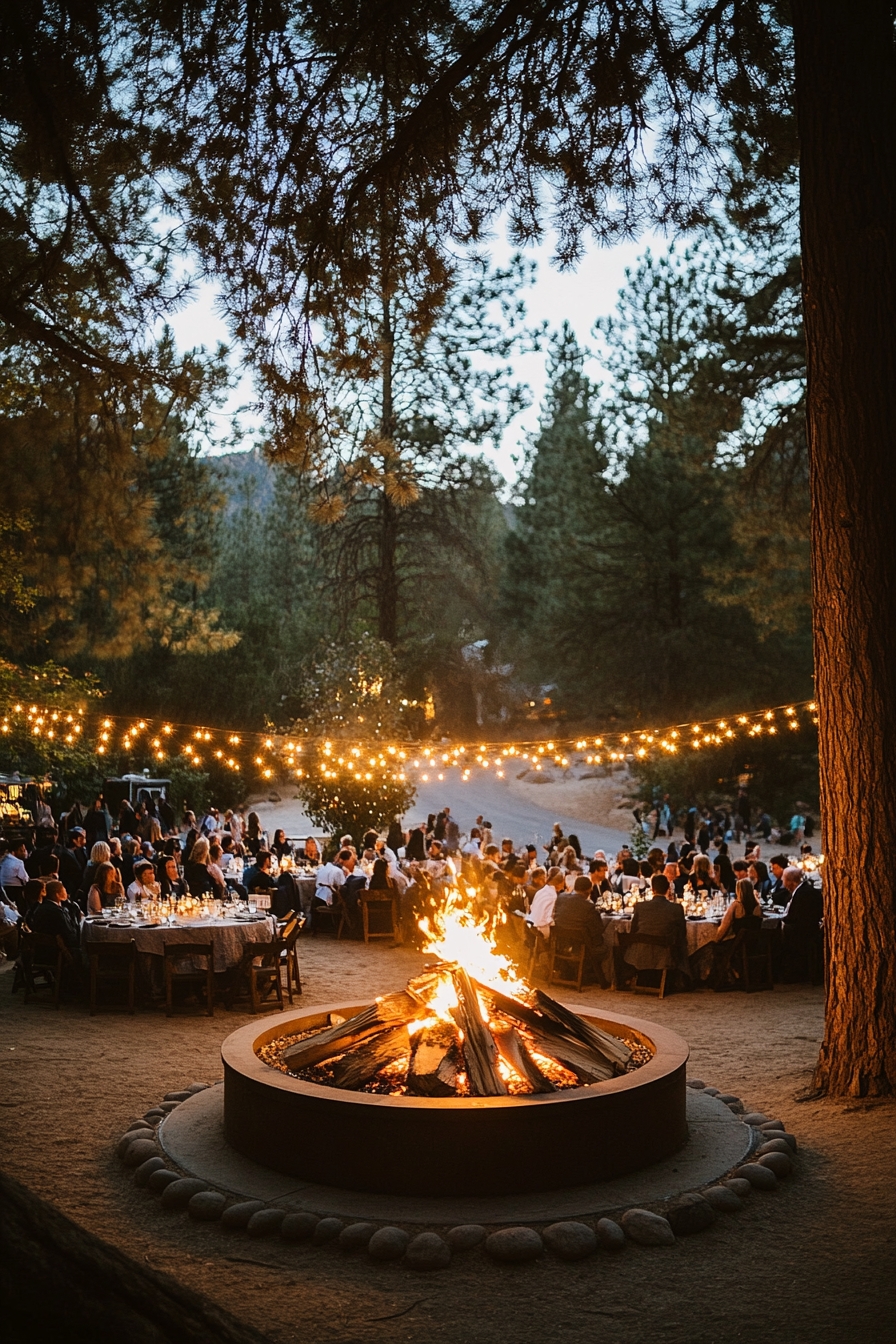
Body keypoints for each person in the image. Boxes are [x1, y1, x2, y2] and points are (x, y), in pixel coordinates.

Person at [625, 874, 690, 981]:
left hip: (640, 953)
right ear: (668, 888)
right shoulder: (676, 908)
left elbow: (633, 931)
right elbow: (682, 934)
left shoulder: (640, 906)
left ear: (652, 889)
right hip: (665, 955)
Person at [553, 875, 608, 984]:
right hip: (582, 946)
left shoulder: (561, 897)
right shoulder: (588, 906)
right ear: (589, 889)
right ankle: (605, 979)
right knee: (608, 943)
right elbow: (598, 930)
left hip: (561, 944)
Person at [29, 879, 80, 954]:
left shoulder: (39, 908)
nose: (66, 892)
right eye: (64, 890)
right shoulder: (57, 912)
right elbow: (70, 935)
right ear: (57, 895)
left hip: (41, 950)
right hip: (58, 950)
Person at [528, 867, 565, 939]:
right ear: (559, 883)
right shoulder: (553, 895)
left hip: (532, 926)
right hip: (543, 930)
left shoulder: (541, 891)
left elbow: (532, 908)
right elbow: (546, 918)